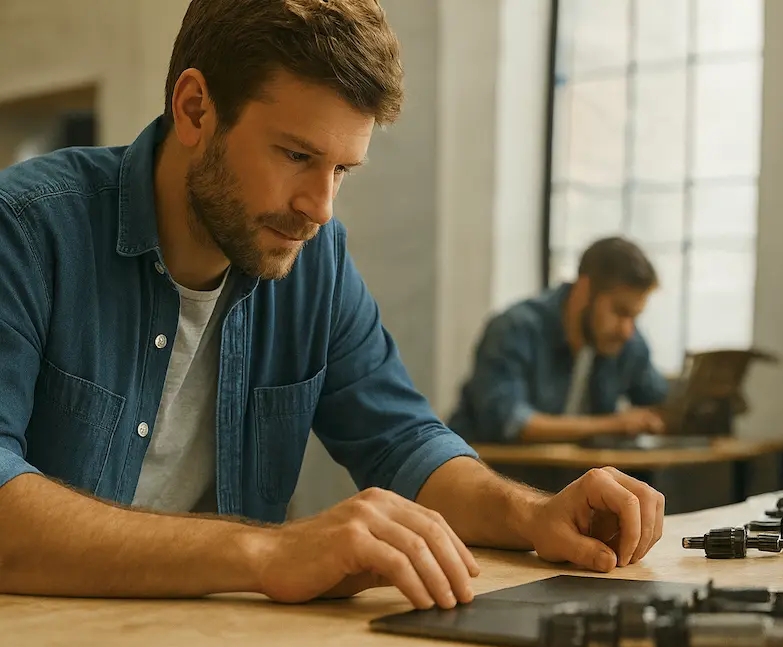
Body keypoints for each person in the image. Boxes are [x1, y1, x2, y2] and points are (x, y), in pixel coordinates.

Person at [0, 0, 664, 612]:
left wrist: (533, 515)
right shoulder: (27, 230)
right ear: (196, 108)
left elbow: (405, 442)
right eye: (297, 155)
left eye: (343, 170)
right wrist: (267, 551)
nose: (320, 207)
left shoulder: (314, 259)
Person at [448, 237, 670, 443]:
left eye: (634, 317)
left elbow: (662, 403)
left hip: (564, 480)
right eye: (620, 312)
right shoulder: (516, 328)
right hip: (492, 475)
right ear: (585, 289)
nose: (627, 330)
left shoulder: (627, 342)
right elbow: (509, 422)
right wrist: (613, 424)